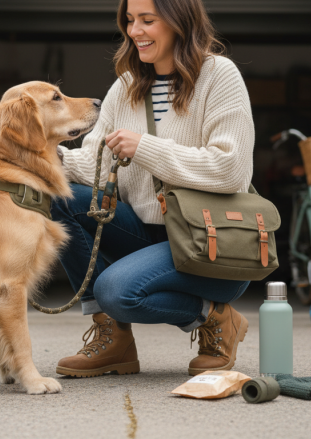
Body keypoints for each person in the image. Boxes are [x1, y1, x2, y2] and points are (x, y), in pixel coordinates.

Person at [53, 0, 254, 377]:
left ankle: (216, 318)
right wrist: (45, 160)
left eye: (147, 20)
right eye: (129, 21)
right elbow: (95, 164)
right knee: (59, 198)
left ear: (180, 22)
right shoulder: (127, 85)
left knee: (117, 291)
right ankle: (113, 339)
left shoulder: (219, 76)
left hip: (210, 243)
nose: (134, 31)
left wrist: (145, 147)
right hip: (148, 234)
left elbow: (230, 171)